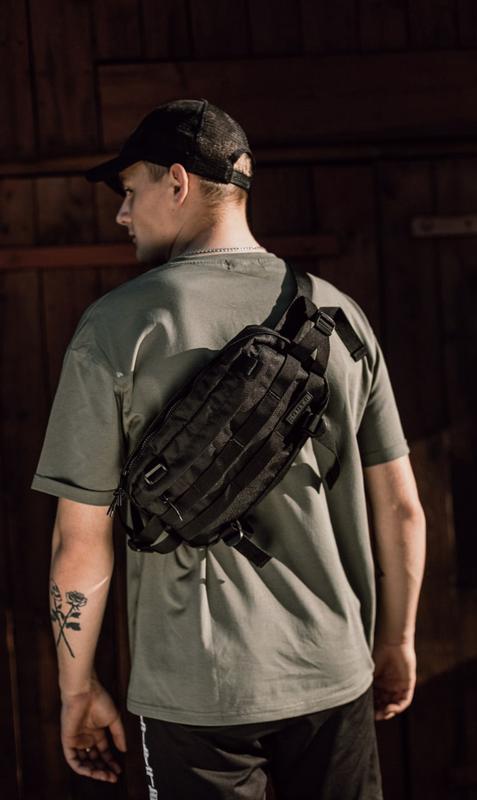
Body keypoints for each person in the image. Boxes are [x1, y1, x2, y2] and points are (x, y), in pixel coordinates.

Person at [31, 98, 426, 799]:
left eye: (130, 191)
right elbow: (400, 510)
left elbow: (78, 544)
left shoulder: (116, 329)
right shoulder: (340, 315)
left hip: (193, 694)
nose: (122, 214)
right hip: (333, 675)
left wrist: (76, 689)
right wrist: (395, 641)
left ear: (177, 182)